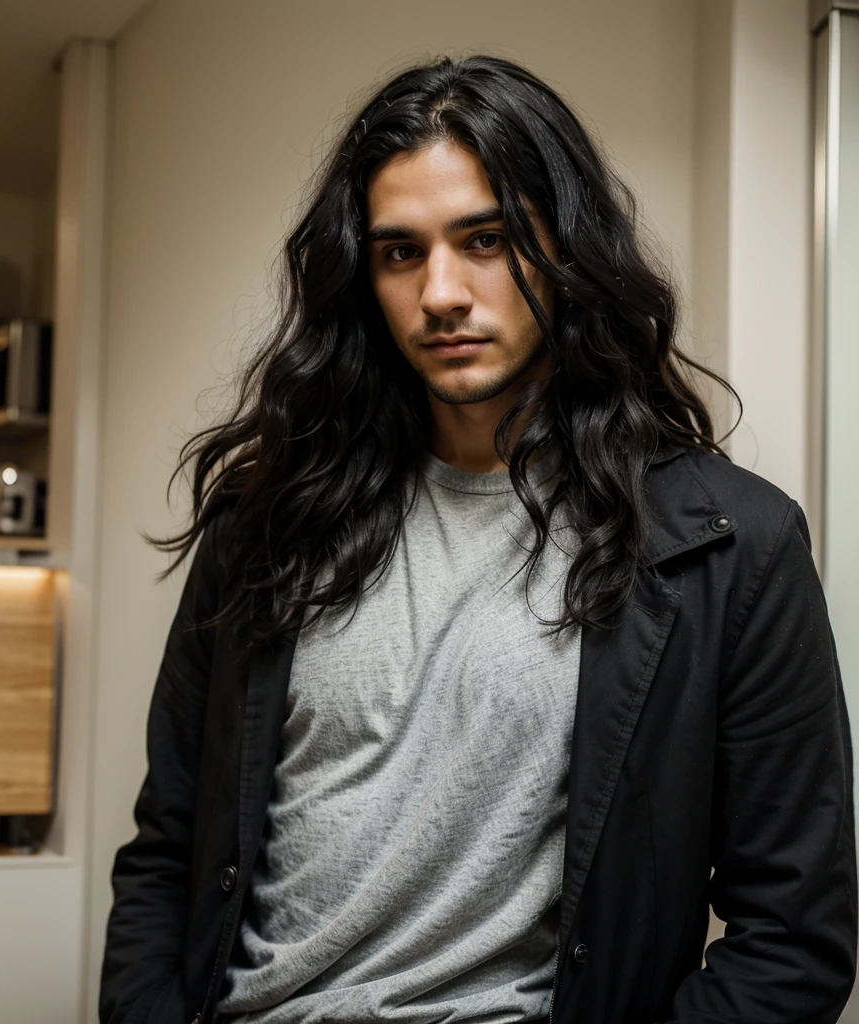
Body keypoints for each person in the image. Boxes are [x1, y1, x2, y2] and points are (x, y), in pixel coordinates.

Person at [98, 54, 857, 1024]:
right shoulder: (267, 521)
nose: (441, 291)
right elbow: (168, 845)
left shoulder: (729, 546)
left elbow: (791, 938)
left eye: (485, 239)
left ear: (565, 250)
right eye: (400, 252)